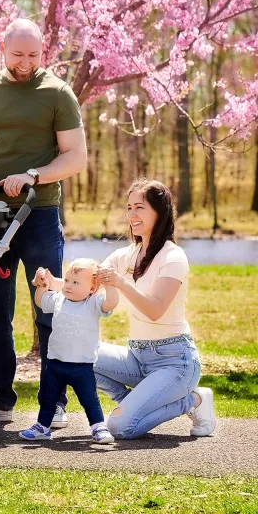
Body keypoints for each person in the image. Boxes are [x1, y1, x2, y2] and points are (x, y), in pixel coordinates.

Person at [0, 18, 87, 424]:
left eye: (34, 54)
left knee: (49, 307)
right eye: (18, 55)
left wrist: (33, 175)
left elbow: (75, 157)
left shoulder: (57, 93)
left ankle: (57, 401)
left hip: (40, 213)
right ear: (3, 48)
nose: (26, 62)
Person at [94, 178, 217, 439]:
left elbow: (155, 309)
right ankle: (129, 402)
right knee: (79, 354)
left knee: (120, 428)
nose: (132, 215)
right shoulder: (126, 254)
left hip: (175, 362)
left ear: (159, 212)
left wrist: (120, 283)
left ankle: (194, 400)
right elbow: (89, 282)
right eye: (129, 208)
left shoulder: (173, 256)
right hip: (138, 357)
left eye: (140, 207)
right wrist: (52, 284)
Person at [19, 259, 118, 443]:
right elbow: (40, 302)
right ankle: (42, 426)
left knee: (89, 399)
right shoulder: (58, 298)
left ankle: (98, 427)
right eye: (67, 281)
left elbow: (111, 302)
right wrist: (42, 285)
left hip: (81, 366)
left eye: (76, 282)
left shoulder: (93, 303)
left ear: (92, 288)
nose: (68, 286)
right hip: (55, 363)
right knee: (48, 398)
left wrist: (110, 285)